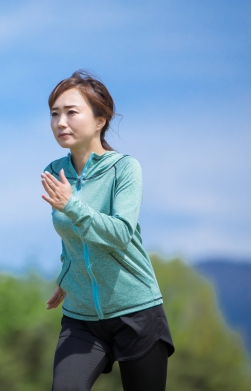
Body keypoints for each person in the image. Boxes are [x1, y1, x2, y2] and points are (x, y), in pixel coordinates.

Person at [40, 71, 175, 391]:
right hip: (81, 317)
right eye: (54, 114)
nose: (61, 122)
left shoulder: (124, 168)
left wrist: (72, 205)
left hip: (136, 313)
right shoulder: (54, 171)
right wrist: (68, 274)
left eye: (71, 112)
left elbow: (120, 233)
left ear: (100, 120)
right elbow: (69, 234)